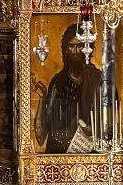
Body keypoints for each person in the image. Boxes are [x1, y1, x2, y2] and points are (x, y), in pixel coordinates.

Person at [33, 22, 101, 153]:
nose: (75, 51)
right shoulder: (58, 83)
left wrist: (94, 130)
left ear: (88, 48)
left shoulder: (98, 80)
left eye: (80, 46)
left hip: (91, 153)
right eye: (71, 46)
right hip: (59, 154)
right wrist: (42, 98)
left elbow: (110, 122)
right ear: (65, 49)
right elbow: (41, 136)